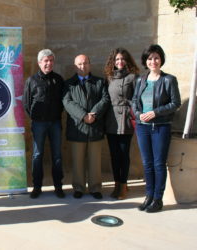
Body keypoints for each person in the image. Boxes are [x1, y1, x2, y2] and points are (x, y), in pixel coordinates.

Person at [132, 44, 181, 213]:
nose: (153, 61)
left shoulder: (168, 80)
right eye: (150, 58)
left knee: (159, 164)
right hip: (142, 127)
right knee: (147, 164)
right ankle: (149, 196)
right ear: (146, 61)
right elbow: (134, 102)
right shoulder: (140, 80)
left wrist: (155, 113)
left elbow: (175, 103)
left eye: (156, 58)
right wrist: (138, 115)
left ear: (161, 60)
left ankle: (158, 199)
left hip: (160, 127)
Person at [63, 54, 110, 199]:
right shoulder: (68, 84)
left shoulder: (100, 82)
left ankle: (95, 188)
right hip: (78, 127)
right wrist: (83, 116)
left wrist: (93, 114)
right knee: (77, 160)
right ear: (75, 66)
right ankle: (79, 187)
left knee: (95, 160)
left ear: (90, 64)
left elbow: (105, 99)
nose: (82, 66)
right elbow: (67, 102)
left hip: (95, 126)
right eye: (79, 64)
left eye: (85, 63)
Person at [23, 49, 65, 199]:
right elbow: (27, 103)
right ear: (39, 63)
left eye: (51, 60)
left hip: (55, 123)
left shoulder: (59, 80)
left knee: (57, 156)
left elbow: (63, 101)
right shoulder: (31, 81)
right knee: (37, 155)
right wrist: (35, 117)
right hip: (38, 124)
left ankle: (58, 187)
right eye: (45, 61)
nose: (48, 63)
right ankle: (37, 187)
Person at [104, 48, 139, 200]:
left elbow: (137, 98)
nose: (120, 62)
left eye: (122, 59)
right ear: (113, 61)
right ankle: (117, 183)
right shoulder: (109, 77)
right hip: (111, 119)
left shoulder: (133, 77)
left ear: (127, 61)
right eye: (117, 59)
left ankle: (123, 185)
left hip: (125, 118)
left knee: (124, 154)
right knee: (114, 154)